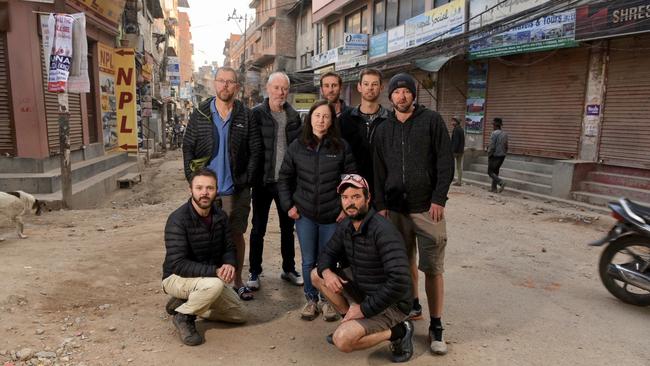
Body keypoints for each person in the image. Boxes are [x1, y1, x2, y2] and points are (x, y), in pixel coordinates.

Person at [373, 73, 454, 356]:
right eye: (397, 92)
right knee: (404, 262)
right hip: (395, 209)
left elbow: (445, 161)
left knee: (433, 267)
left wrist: (439, 198)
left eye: (407, 91)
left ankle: (437, 324)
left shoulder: (431, 121)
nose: (402, 96)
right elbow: (378, 170)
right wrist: (381, 204)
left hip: (426, 208)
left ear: (414, 95)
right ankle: (413, 305)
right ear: (390, 96)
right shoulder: (383, 129)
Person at [312, 174, 414, 363]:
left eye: (356, 197)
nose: (350, 203)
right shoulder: (346, 225)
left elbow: (399, 281)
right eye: (345, 197)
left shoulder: (383, 231)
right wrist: (326, 272)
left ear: (368, 198)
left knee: (342, 340)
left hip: (392, 304)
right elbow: (326, 255)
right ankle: (349, 320)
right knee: (317, 275)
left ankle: (400, 331)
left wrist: (364, 309)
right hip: (365, 290)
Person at [182, 66, 262, 301]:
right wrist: (192, 178)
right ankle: (210, 283)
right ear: (215, 84)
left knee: (235, 235)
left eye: (231, 82)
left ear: (237, 87)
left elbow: (256, 150)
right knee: (204, 237)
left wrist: (246, 179)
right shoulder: (201, 113)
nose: (226, 85)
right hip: (206, 190)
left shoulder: (245, 115)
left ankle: (237, 282)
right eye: (221, 81)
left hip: (234, 189)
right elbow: (188, 147)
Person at [277, 100, 356, 321]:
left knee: (328, 259)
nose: (321, 120)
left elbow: (352, 180)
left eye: (326, 116)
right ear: (310, 118)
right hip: (305, 215)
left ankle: (328, 300)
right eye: (317, 116)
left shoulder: (341, 146)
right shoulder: (297, 146)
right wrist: (288, 206)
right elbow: (284, 179)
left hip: (333, 215)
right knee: (308, 260)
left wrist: (345, 207)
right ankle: (311, 299)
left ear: (332, 121)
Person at [162, 169, 247, 346]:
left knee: (239, 314)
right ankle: (184, 316)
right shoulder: (178, 219)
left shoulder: (220, 216)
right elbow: (178, 264)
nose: (204, 193)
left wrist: (230, 263)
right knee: (215, 284)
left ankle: (188, 302)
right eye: (199, 188)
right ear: (190, 189)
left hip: (206, 278)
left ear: (217, 190)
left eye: (210, 188)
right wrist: (215, 271)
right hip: (176, 277)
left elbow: (229, 247)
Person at [248, 72, 303, 291]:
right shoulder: (257, 114)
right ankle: (254, 271)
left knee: (287, 228)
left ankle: (288, 268)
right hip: (263, 181)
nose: (281, 92)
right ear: (268, 89)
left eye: (284, 89)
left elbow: (298, 149)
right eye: (277, 88)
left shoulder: (293, 116)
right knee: (258, 228)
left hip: (285, 183)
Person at [339, 68, 389, 197]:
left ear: (381, 87)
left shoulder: (391, 120)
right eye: (366, 84)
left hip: (384, 189)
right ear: (359, 87)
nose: (370, 88)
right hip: (353, 187)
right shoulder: (345, 119)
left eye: (374, 84)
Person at [487, 117, 508, 193]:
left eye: (493, 124)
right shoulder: (505, 134)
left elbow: (492, 146)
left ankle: (501, 182)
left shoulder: (494, 133)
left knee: (490, 172)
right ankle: (494, 188)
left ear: (495, 125)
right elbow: (506, 146)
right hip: (502, 156)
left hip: (495, 155)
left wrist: (489, 154)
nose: (492, 126)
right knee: (495, 172)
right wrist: (504, 153)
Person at [450, 116, 465, 186]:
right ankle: (459, 181)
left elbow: (456, 142)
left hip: (456, 151)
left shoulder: (456, 130)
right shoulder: (461, 129)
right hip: (461, 151)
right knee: (459, 166)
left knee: (451, 165)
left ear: (456, 122)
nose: (452, 122)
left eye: (453, 121)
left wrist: (453, 151)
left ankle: (452, 178)